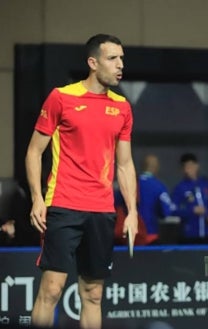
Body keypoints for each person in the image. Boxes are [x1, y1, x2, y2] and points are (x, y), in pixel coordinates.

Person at [25, 34, 138, 329]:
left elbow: (124, 164)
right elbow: (34, 152)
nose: (120, 65)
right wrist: (37, 197)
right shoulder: (61, 97)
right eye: (112, 58)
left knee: (94, 292)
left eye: (121, 58)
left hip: (101, 210)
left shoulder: (122, 107)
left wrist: (133, 211)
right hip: (63, 204)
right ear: (92, 62)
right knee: (51, 289)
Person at [114, 154, 175, 245]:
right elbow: (167, 211)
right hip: (150, 236)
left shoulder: (129, 184)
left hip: (129, 236)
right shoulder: (158, 186)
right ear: (156, 167)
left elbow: (115, 206)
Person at [171, 153, 208, 244]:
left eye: (190, 166)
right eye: (185, 167)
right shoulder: (180, 188)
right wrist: (192, 210)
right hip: (189, 235)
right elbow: (173, 209)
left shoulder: (205, 185)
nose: (187, 170)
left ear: (196, 166)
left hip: (207, 234)